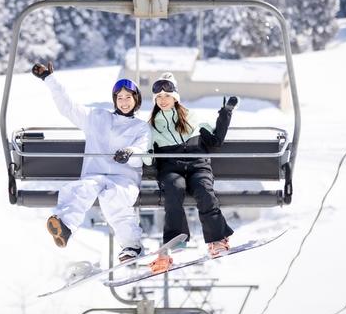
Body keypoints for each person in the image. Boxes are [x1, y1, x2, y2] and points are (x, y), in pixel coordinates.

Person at [32, 61, 151, 262]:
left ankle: (132, 245)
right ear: (114, 100)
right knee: (82, 189)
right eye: (119, 98)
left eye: (128, 98)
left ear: (136, 100)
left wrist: (129, 153)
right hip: (95, 174)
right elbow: (68, 107)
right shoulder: (97, 117)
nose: (123, 102)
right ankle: (65, 226)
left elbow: (143, 150)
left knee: (116, 199)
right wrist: (50, 79)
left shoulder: (141, 128)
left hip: (124, 179)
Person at [145, 72, 238, 270]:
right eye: (159, 97)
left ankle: (218, 240)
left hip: (198, 165)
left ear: (175, 97)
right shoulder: (151, 127)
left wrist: (225, 114)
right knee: (173, 189)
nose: (163, 100)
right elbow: (149, 157)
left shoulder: (192, 118)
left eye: (167, 96)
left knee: (204, 191)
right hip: (171, 168)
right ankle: (177, 238)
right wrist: (143, 152)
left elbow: (215, 140)